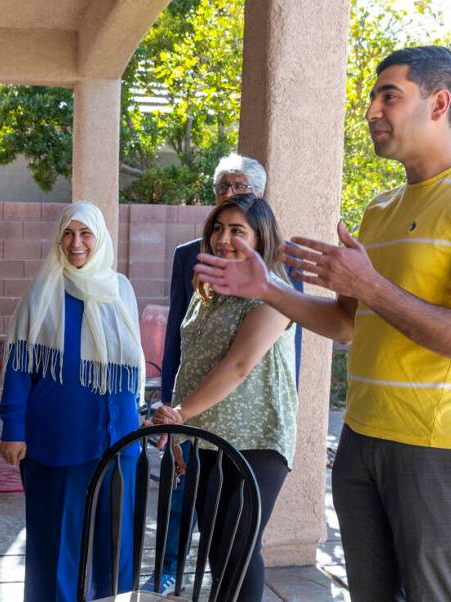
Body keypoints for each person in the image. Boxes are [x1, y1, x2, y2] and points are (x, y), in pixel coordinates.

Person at [194, 46, 451, 600]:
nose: (372, 110)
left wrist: (370, 283)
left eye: (389, 96)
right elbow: (348, 324)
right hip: (361, 436)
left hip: (438, 445)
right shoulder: (380, 210)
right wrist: (266, 289)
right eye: (372, 97)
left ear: (439, 103)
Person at [147, 153, 303, 595]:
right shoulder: (206, 291)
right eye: (218, 228)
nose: (223, 238)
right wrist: (183, 432)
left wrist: (177, 415)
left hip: (255, 440)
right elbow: (190, 359)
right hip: (204, 438)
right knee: (217, 552)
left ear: (260, 238)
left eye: (238, 230)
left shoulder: (275, 294)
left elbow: (236, 367)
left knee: (238, 551)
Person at [0, 201, 145, 602]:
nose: (75, 242)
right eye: (68, 233)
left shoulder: (120, 289)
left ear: (99, 239)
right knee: (55, 548)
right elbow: (18, 368)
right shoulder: (42, 292)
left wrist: (142, 412)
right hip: (56, 443)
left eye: (85, 234)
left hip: (118, 442)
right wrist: (13, 428)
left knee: (114, 549)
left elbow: (132, 367)